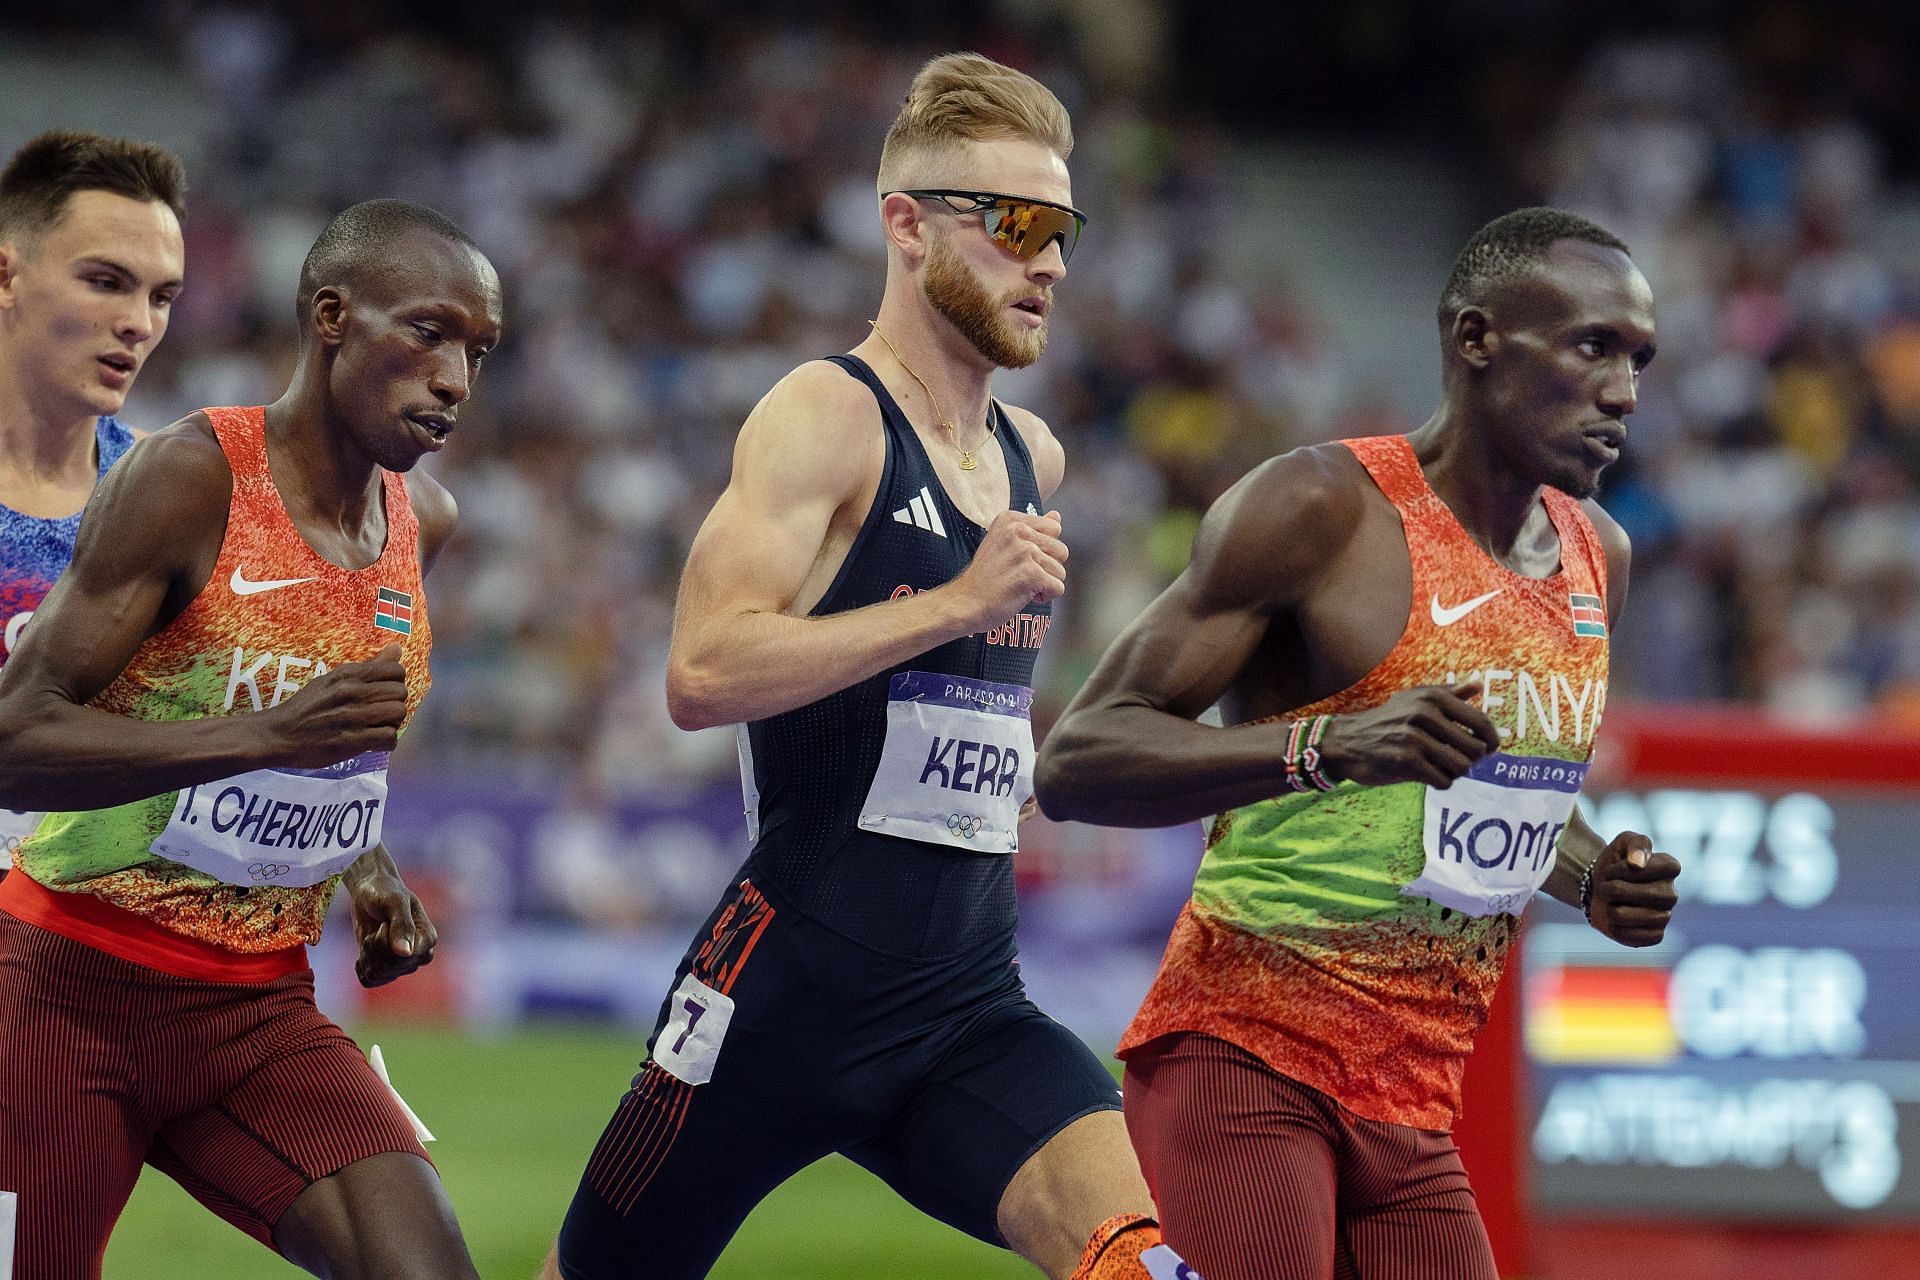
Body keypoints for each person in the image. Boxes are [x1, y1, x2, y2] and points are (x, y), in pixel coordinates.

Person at [546, 53, 1195, 1280]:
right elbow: (700, 670)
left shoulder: (1033, 456)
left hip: (967, 1002)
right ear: (905, 225)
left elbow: (957, 712)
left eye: (1066, 228)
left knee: (1139, 1259)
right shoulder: (825, 415)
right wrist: (954, 600)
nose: (1051, 261)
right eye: (1017, 224)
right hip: (781, 996)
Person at [1035, 208, 1684, 1280]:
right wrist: (1326, 744)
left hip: (1415, 1099)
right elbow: (1077, 758)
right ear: (1478, 340)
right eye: (1591, 347)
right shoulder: (1323, 507)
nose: (1624, 392)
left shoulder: (1597, 556)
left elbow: (1498, 789)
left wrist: (1588, 870)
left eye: (1640, 359)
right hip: (1244, 1056)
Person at [0, 198, 501, 1280]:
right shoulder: (194, 476)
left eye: (477, 349)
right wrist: (261, 732)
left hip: (257, 1007)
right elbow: (17, 733)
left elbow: (330, 744)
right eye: (427, 331)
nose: (455, 377)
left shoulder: (427, 522)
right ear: (332, 316)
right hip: (63, 990)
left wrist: (370, 867)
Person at [0, 130, 185, 874]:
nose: (140, 322)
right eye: (106, 281)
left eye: (161, 295)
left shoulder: (167, 495)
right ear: (6, 275)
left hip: (81, 950)